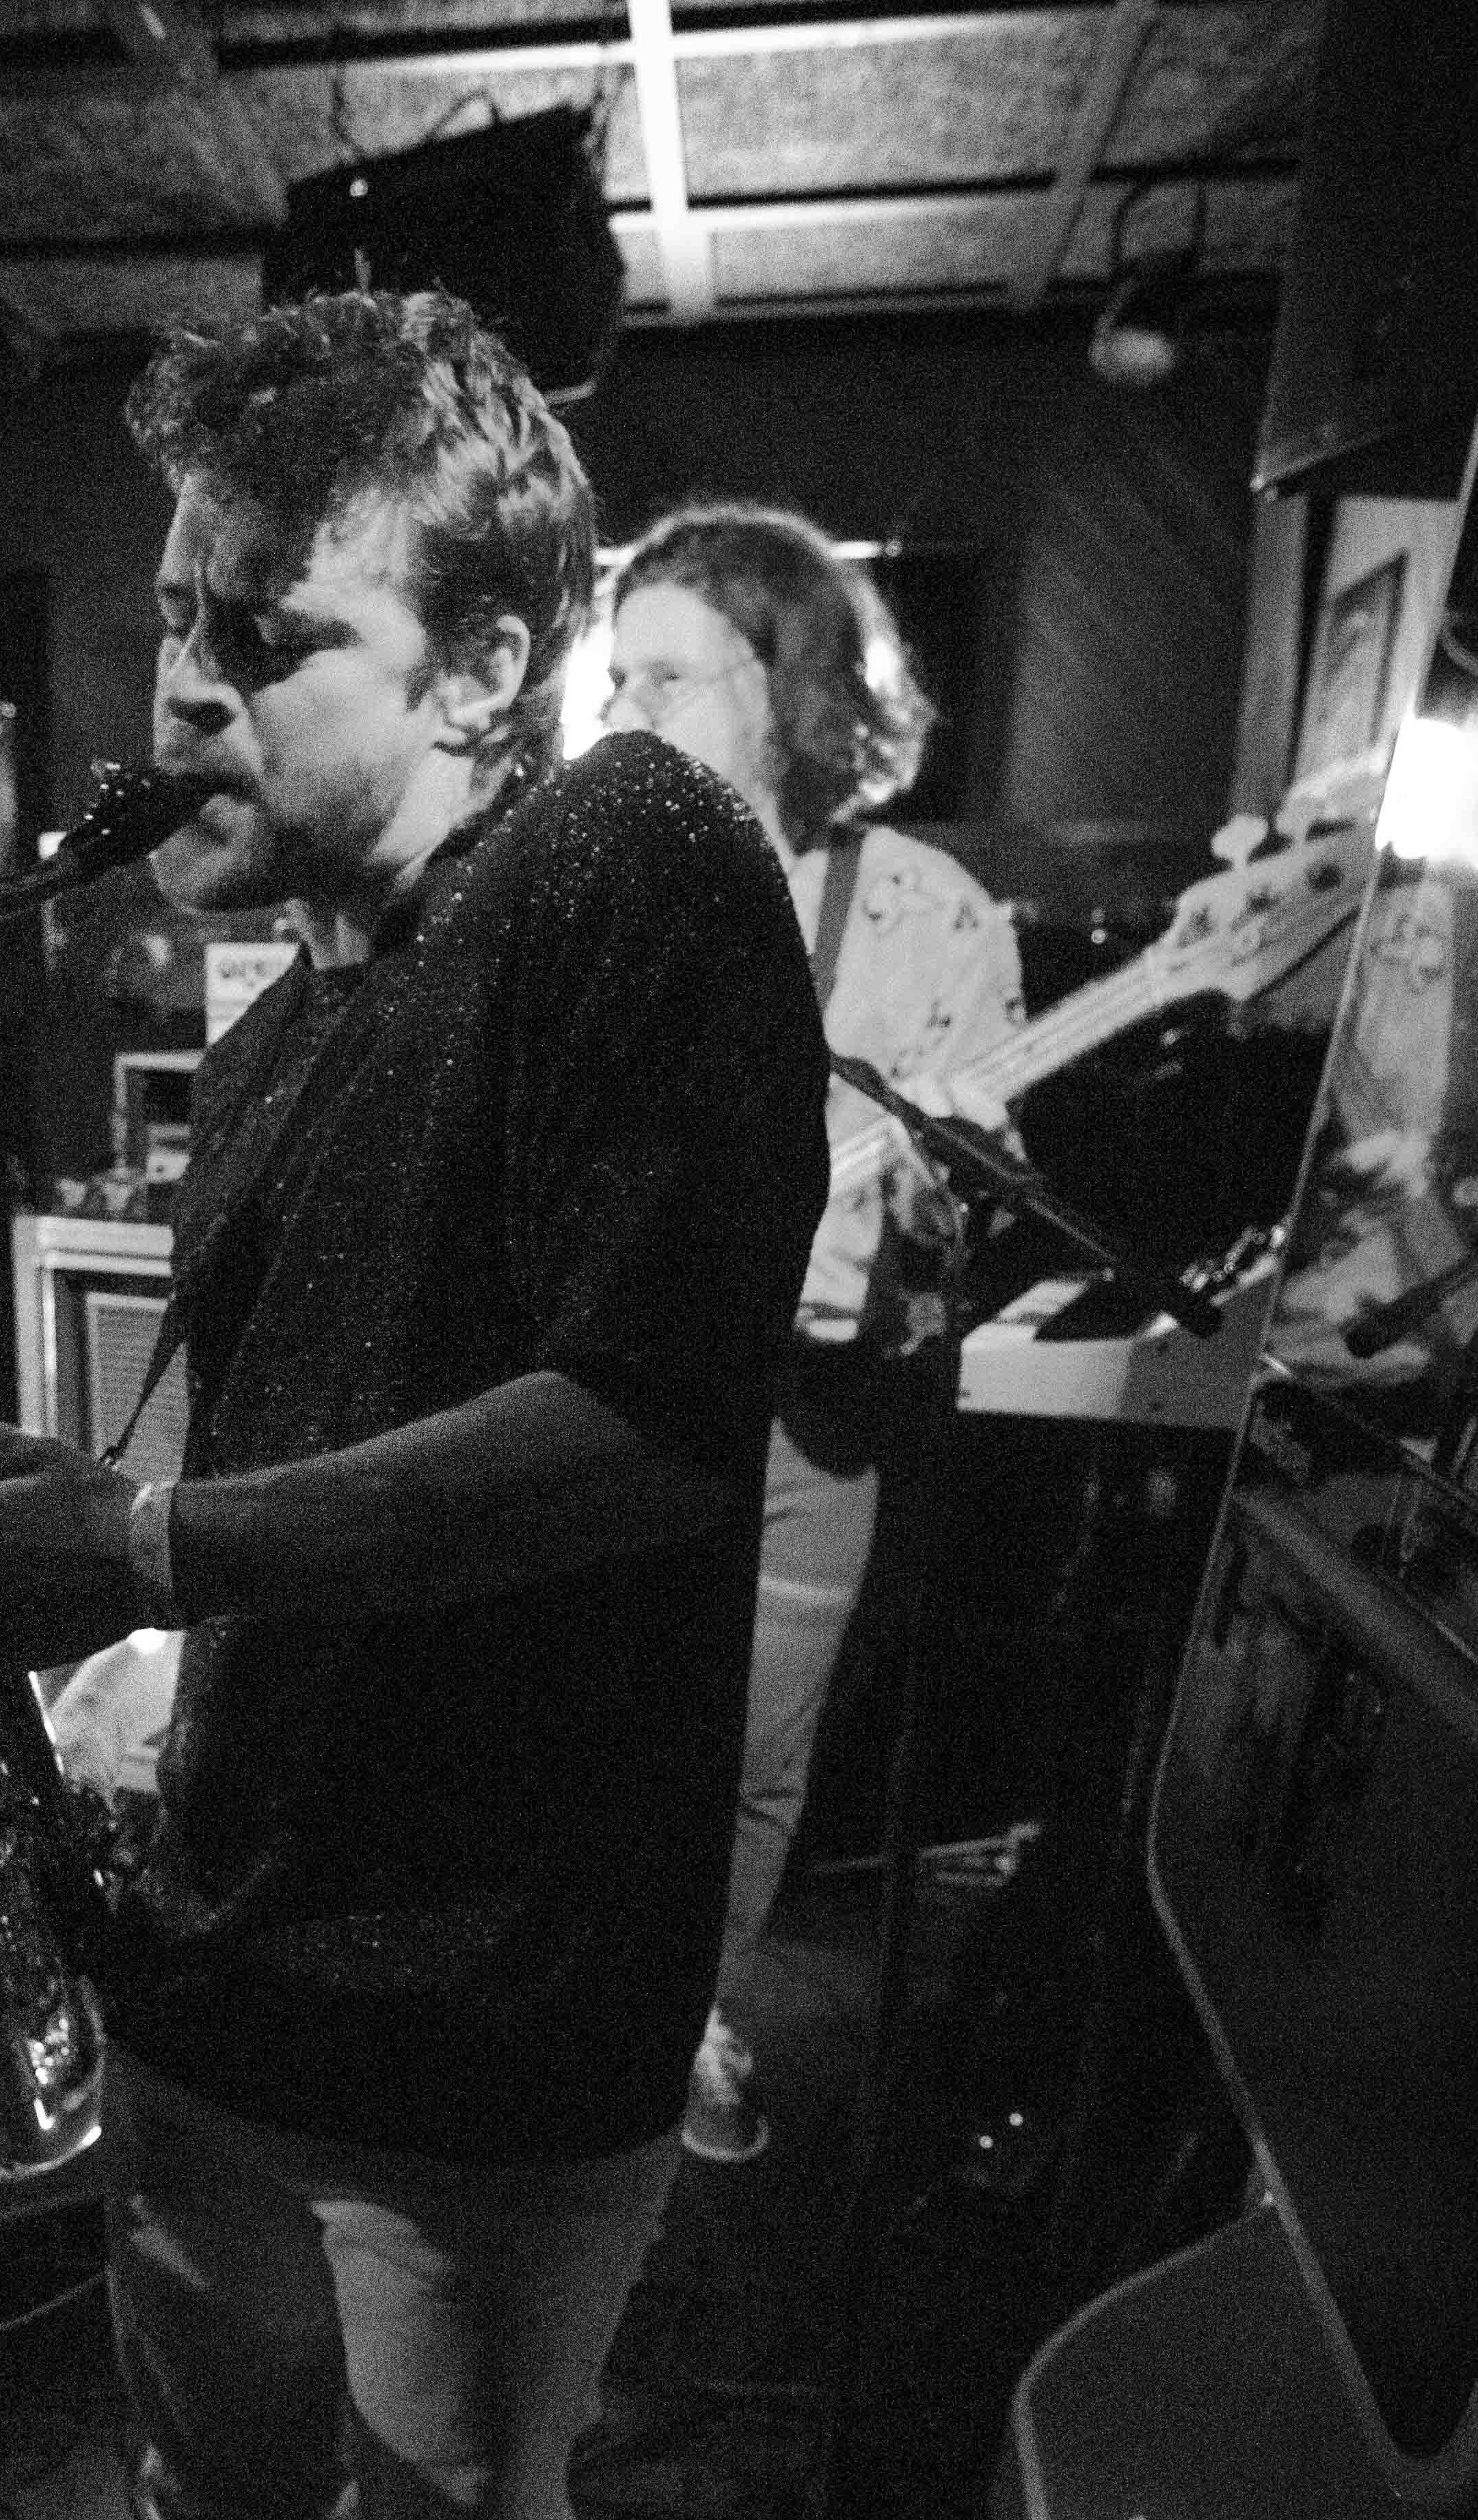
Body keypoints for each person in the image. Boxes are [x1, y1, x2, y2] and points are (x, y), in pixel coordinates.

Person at [0, 290, 827, 2520]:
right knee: (228, 2495)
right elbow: (289, 1473)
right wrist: (81, 1570)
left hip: (495, 1987)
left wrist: (140, 1549)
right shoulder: (272, 1031)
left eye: (265, 636)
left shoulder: (629, 857)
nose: (179, 698)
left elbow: (646, 1423)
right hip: (219, 1946)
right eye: (172, 624)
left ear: (489, 661)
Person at [603, 506, 1025, 2162]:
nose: (623, 711)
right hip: (619, 1390)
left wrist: (948, 1190)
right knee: (595, 1726)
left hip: (813, 1405)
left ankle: (676, 2025)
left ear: (786, 689)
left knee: (756, 1759)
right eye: (617, 677)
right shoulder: (594, 888)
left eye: (666, 678)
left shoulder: (927, 913)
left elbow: (964, 1236)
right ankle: (570, 2017)